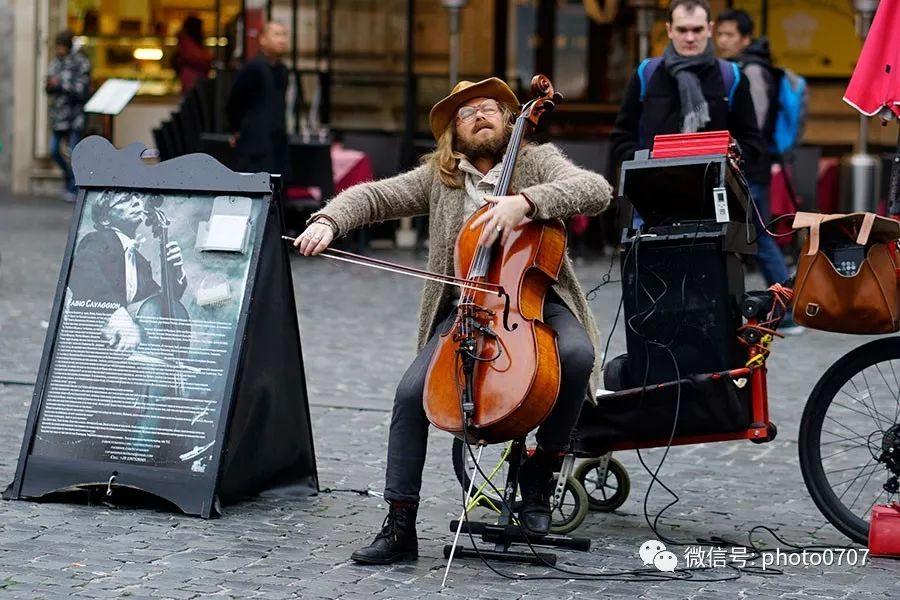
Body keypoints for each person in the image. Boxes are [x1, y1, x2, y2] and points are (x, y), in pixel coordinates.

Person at [294, 77, 614, 564]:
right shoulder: (440, 178)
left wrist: (525, 203)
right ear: (452, 131)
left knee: (576, 355)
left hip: (535, 300)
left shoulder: (535, 161)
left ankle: (542, 472)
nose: (479, 115)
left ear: (509, 119)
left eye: (489, 107)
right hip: (465, 309)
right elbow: (374, 197)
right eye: (466, 112)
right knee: (409, 395)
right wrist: (328, 220)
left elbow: (596, 190)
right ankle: (400, 523)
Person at [716, 9, 802, 333]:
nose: (722, 40)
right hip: (749, 166)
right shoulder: (742, 68)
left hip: (751, 166)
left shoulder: (750, 71)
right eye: (720, 34)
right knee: (756, 236)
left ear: (745, 38)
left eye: (729, 35)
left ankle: (787, 309)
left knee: (761, 238)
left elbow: (755, 123)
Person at [610, 0, 764, 173]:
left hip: (711, 189)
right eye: (682, 30)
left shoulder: (731, 76)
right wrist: (644, 163)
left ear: (709, 29)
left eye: (697, 30)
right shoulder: (646, 73)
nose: (690, 38)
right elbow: (621, 136)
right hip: (651, 188)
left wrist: (727, 167)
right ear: (669, 30)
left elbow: (751, 142)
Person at [68, 191, 187, 352]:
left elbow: (160, 304)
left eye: (138, 197)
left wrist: (175, 271)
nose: (137, 202)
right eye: (125, 200)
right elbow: (83, 272)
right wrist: (116, 313)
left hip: (119, 351)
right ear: (105, 219)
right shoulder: (97, 240)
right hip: (90, 346)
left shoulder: (140, 262)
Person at [225, 21, 290, 178]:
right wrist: (235, 129)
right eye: (276, 34)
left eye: (284, 35)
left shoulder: (282, 70)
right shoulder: (253, 67)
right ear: (262, 39)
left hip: (277, 142)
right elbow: (235, 101)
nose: (281, 39)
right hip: (255, 143)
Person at [46, 30, 91, 203]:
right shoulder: (55, 63)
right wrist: (50, 85)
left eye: (62, 47)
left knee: (74, 153)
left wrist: (61, 84)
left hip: (75, 116)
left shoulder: (80, 62)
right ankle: (69, 179)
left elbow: (82, 90)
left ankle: (74, 185)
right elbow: (49, 87)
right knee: (54, 151)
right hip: (58, 116)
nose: (59, 50)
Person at [175, 15, 212, 95]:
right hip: (193, 80)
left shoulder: (186, 41)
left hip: (193, 80)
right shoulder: (187, 41)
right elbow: (198, 58)